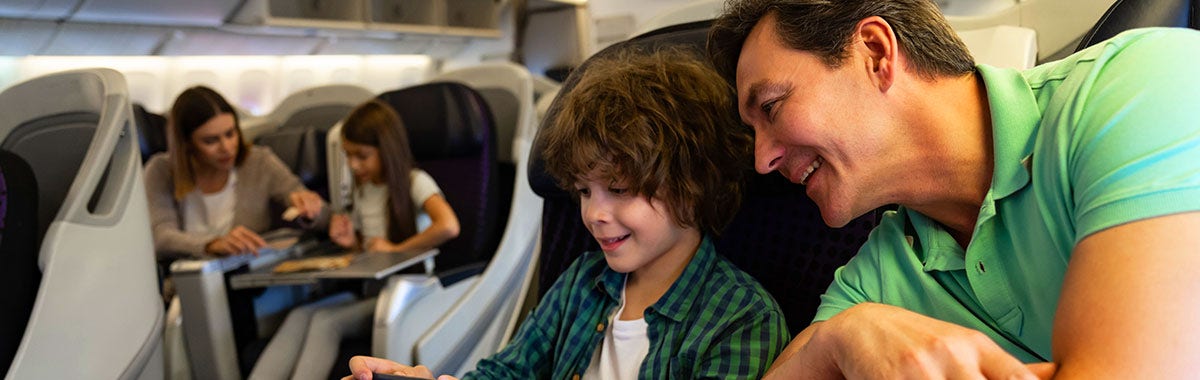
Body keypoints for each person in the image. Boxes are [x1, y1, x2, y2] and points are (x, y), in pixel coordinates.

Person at [706, 0, 1200, 378]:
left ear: (875, 53)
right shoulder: (877, 278)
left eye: (771, 107)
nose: (762, 160)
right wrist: (834, 342)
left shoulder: (1140, 85)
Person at [344, 47, 790, 380]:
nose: (594, 213)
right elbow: (509, 371)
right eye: (582, 191)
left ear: (692, 186)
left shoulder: (741, 320)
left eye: (619, 189)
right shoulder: (583, 282)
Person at [249, 99, 460, 380]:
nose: (353, 164)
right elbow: (371, 248)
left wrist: (397, 248)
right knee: (299, 316)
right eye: (348, 156)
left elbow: (448, 226)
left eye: (362, 155)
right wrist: (352, 243)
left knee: (326, 323)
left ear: (387, 150)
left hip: (405, 291)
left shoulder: (415, 181)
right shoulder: (364, 190)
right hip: (373, 289)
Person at [144, 85, 326, 259]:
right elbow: (161, 237)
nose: (226, 147)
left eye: (230, 134)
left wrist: (311, 208)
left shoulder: (258, 162)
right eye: (210, 141)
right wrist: (212, 244)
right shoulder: (161, 170)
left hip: (249, 273)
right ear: (187, 143)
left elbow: (323, 213)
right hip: (182, 277)